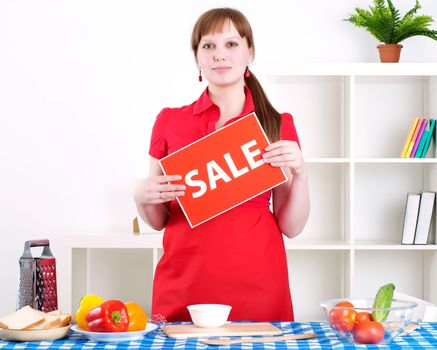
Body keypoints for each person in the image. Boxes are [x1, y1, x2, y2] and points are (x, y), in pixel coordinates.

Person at [134, 8, 310, 322]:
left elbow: (291, 227)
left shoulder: (277, 124)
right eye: (208, 46)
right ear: (197, 58)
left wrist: (302, 174)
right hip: (185, 282)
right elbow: (159, 219)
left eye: (231, 44)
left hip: (258, 283)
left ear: (249, 52)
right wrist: (141, 196)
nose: (219, 55)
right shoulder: (169, 121)